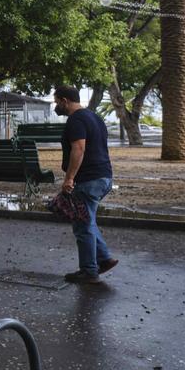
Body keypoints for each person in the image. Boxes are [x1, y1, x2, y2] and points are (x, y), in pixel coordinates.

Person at [54, 85, 117, 284]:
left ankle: (89, 270)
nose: (56, 107)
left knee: (82, 226)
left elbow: (79, 149)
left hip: (88, 180)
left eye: (57, 102)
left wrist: (69, 178)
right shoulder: (95, 117)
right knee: (87, 221)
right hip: (104, 176)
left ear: (65, 101)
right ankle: (104, 258)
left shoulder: (76, 120)